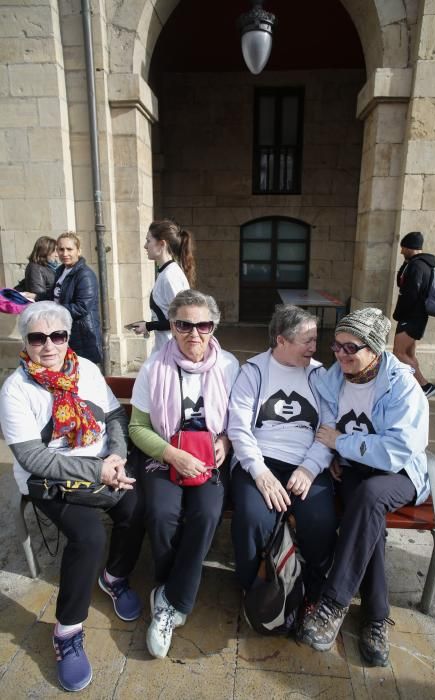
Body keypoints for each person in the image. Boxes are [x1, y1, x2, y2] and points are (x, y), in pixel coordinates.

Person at [0, 301, 145, 692]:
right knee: (89, 536)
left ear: (67, 337)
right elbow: (33, 457)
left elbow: (115, 418)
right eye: (37, 337)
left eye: (57, 336)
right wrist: (97, 470)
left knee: (135, 507)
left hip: (103, 465)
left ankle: (114, 577)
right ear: (26, 343)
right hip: (50, 480)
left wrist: (115, 456)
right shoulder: (16, 390)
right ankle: (67, 632)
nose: (48, 345)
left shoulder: (88, 371)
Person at [298, 307, 429, 667]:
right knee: (369, 522)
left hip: (399, 473)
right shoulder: (333, 379)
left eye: (350, 348)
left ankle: (334, 603)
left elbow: (398, 450)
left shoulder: (402, 385)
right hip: (354, 467)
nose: (340, 355)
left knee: (370, 497)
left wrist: (341, 444)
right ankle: (375, 618)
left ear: (374, 349)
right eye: (336, 346)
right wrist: (336, 452)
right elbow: (325, 426)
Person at [129, 289, 239, 659]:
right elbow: (137, 428)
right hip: (165, 454)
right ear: (172, 327)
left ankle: (169, 599)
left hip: (209, 457)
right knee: (161, 514)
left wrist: (226, 440)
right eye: (184, 325)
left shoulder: (229, 366)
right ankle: (169, 589)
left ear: (214, 327)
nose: (194, 333)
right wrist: (172, 454)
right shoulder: (154, 367)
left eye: (203, 325)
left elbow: (240, 422)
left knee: (206, 513)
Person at [227, 305, 337, 617]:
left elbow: (329, 429)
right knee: (252, 518)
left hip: (306, 461)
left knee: (320, 521)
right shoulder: (254, 372)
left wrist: (310, 467)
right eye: (308, 341)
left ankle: (313, 591)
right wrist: (260, 472)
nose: (315, 348)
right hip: (259, 461)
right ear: (282, 340)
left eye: (316, 340)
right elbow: (238, 428)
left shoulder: (320, 375)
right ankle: (255, 588)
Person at [30, 232, 103, 364]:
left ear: (78, 251)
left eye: (69, 249)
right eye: (61, 249)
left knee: (82, 375)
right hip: (64, 330)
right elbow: (54, 295)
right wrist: (35, 297)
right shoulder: (61, 270)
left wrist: (53, 310)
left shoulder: (85, 275)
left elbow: (82, 307)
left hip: (82, 335)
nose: (65, 253)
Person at [130, 219, 195, 352]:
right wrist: (148, 325)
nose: (145, 246)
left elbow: (183, 320)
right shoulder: (166, 272)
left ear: (161, 244)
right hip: (166, 349)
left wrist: (149, 326)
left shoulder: (170, 276)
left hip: (172, 352)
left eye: (148, 241)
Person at [392, 231, 435, 398]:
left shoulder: (418, 266)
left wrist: (400, 313)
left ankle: (425, 385)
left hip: (411, 317)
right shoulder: (417, 263)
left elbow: (411, 293)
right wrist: (405, 263)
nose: (402, 250)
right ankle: (417, 385)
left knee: (399, 353)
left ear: (410, 247)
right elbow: (401, 282)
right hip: (414, 317)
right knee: (409, 354)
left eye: (403, 247)